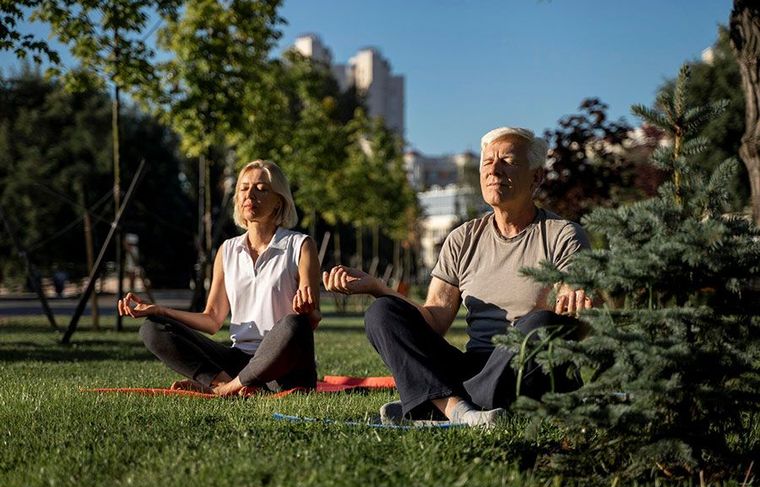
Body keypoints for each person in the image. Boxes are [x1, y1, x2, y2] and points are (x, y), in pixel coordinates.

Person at [323, 127, 592, 426]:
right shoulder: (463, 238)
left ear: (536, 177)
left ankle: (432, 402)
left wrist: (575, 298)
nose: (494, 169)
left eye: (507, 161)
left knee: (541, 325)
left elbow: (576, 307)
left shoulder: (563, 235)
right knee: (382, 312)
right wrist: (377, 288)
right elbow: (434, 320)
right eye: (487, 161)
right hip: (474, 366)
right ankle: (457, 410)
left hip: (527, 365)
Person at [118, 160, 321, 396]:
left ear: (279, 200)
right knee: (153, 329)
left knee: (294, 324)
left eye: (261, 189)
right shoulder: (228, 250)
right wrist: (159, 310)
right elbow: (212, 319)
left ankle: (229, 388)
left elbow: (311, 320)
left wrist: (307, 311)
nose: (250, 194)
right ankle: (221, 384)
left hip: (284, 368)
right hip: (238, 361)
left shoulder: (300, 246)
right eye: (244, 188)